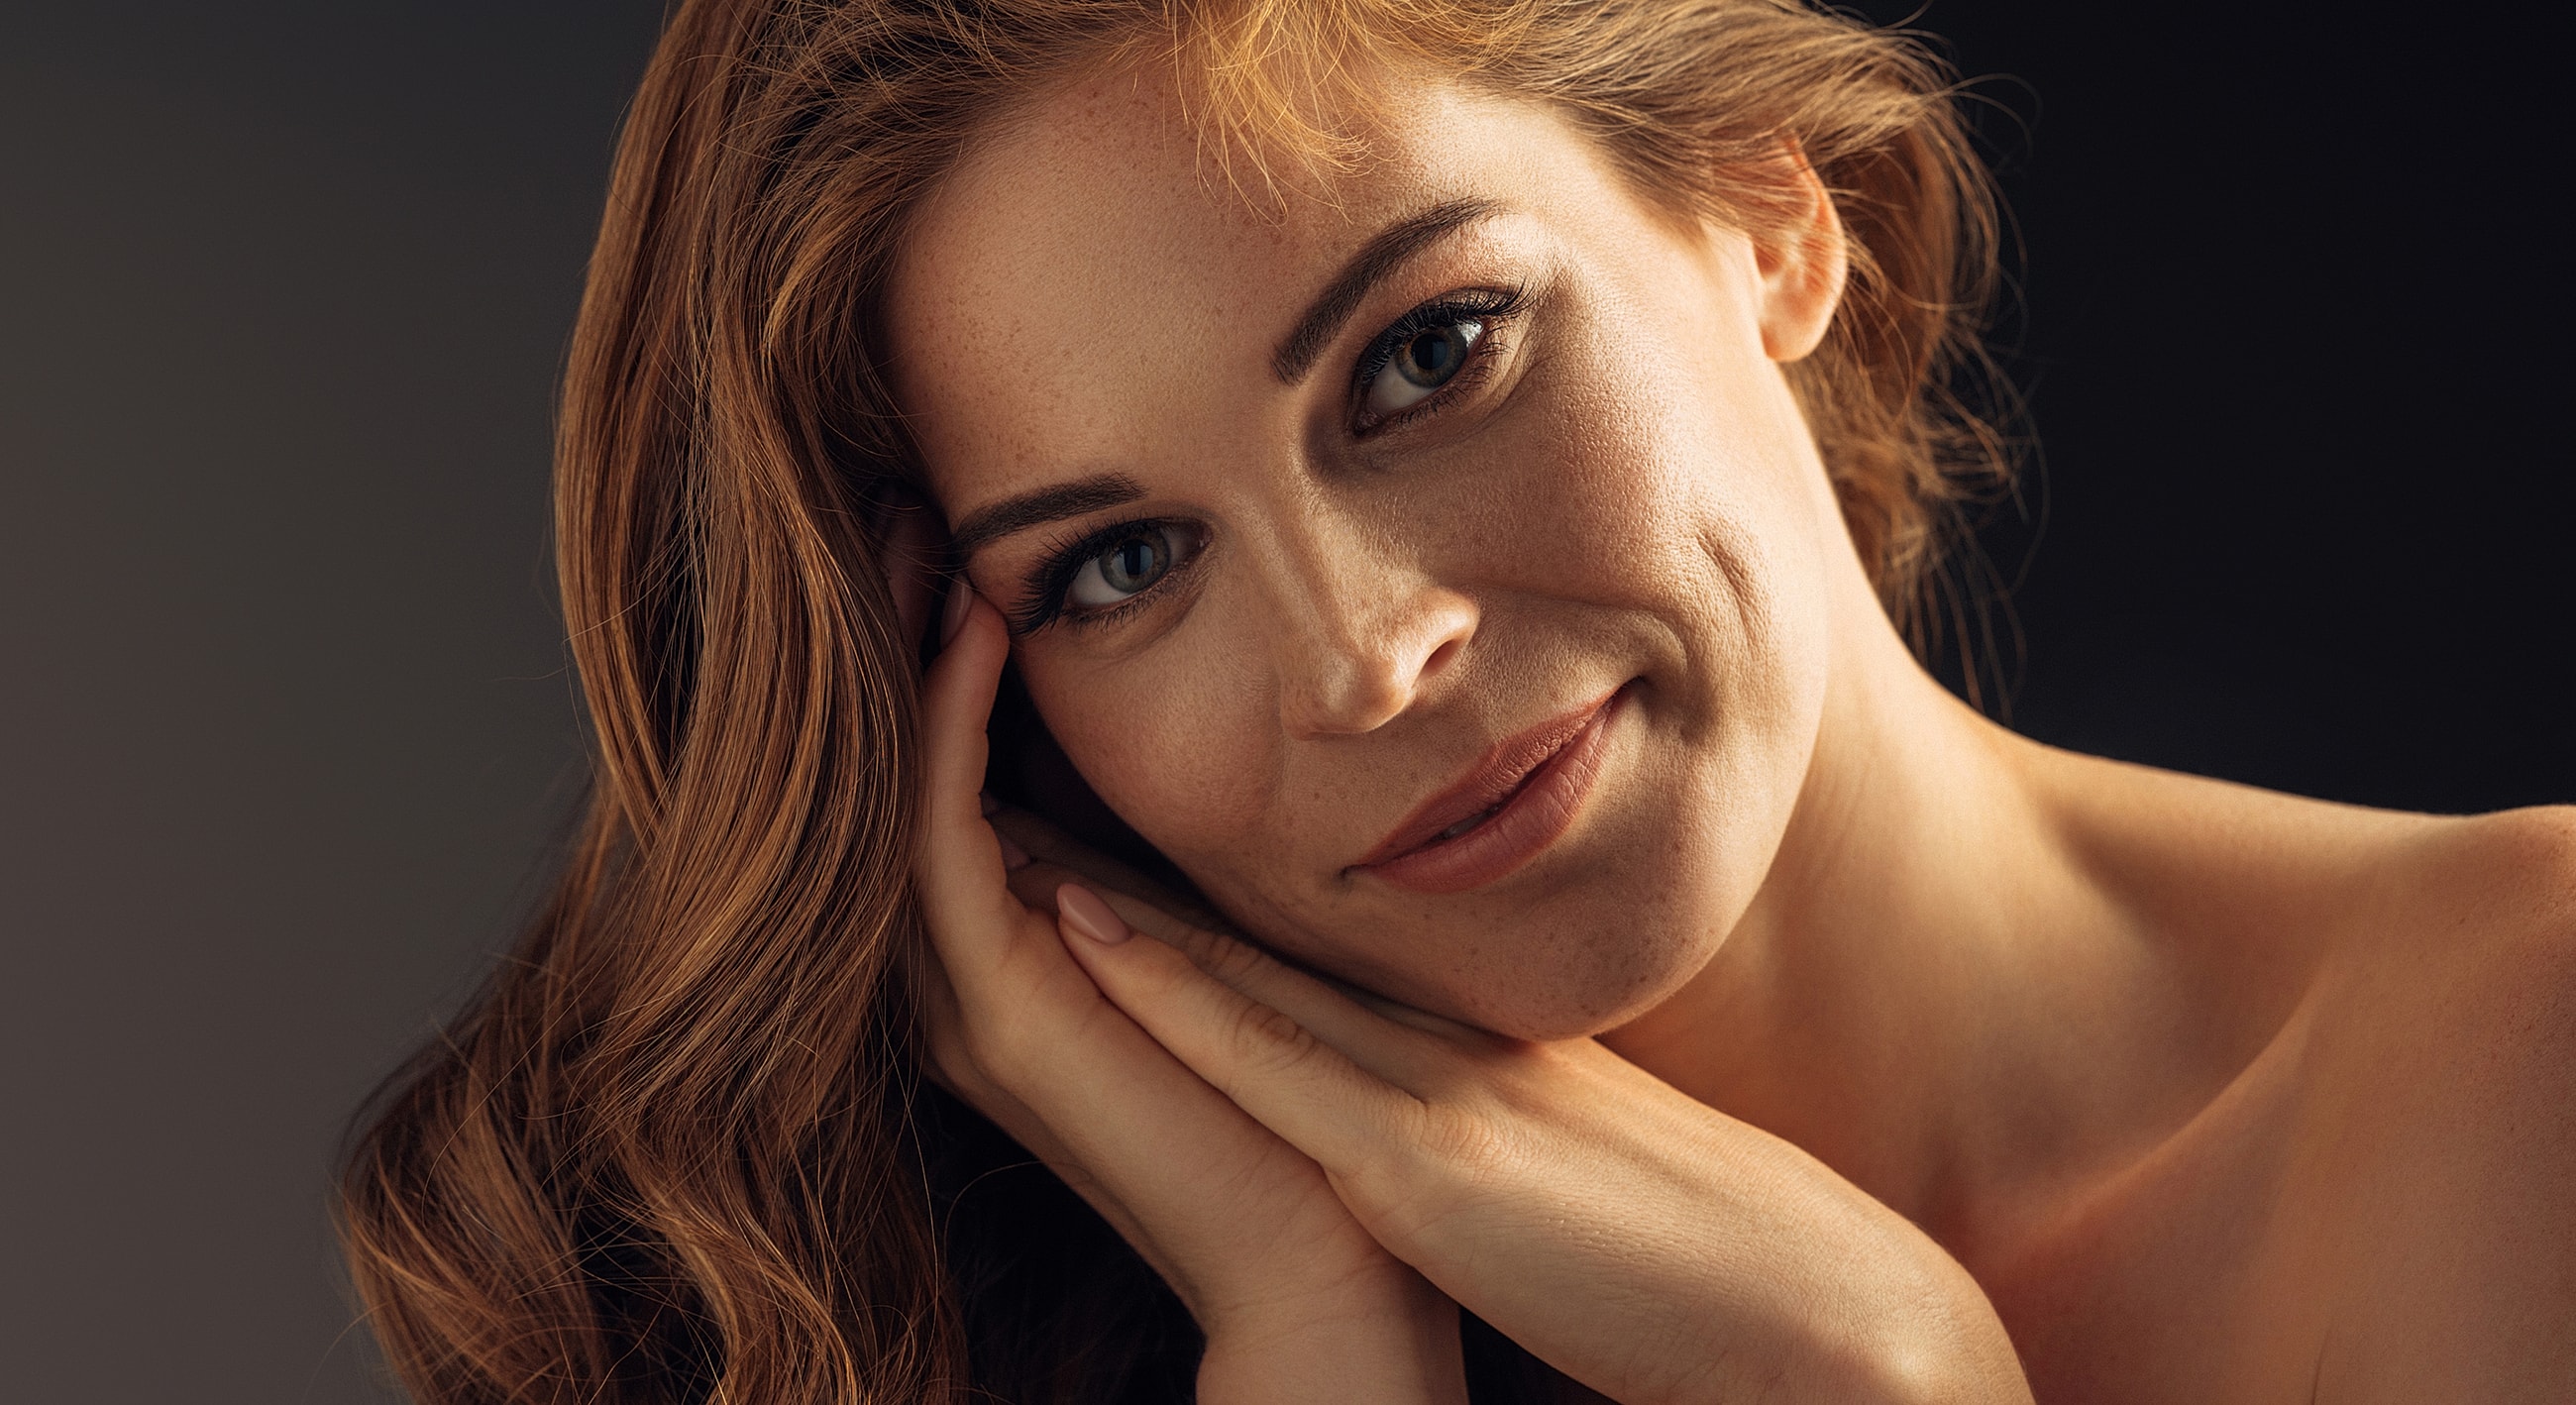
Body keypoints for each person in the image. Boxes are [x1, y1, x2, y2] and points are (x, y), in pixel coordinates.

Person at [339, 0, 2576, 1400]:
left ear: (1776, 222)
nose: (1360, 650)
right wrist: (1319, 1341)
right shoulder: (1101, 1332)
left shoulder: (2526, 1055)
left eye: (1429, 354)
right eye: (1121, 564)